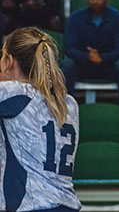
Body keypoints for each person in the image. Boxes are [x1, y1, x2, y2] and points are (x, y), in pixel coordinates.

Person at [0, 27, 81, 211]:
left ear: (9, 61)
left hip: (32, 205)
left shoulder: (13, 93)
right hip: (67, 205)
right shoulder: (68, 102)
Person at [62, 0, 119, 109]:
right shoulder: (75, 18)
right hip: (83, 65)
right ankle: (63, 112)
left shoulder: (118, 19)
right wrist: (87, 57)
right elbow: (69, 48)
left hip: (108, 66)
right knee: (67, 64)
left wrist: (102, 58)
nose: (95, 1)